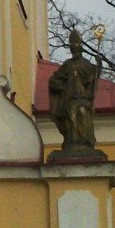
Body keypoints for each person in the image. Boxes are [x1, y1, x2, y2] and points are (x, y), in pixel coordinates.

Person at [48, 31, 105, 160]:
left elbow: (94, 74)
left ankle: (84, 141)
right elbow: (56, 79)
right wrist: (58, 84)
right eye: (73, 49)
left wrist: (99, 64)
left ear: (80, 50)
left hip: (82, 98)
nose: (75, 51)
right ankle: (71, 141)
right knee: (71, 114)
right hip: (69, 98)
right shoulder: (67, 65)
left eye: (77, 48)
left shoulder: (85, 64)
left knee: (81, 112)